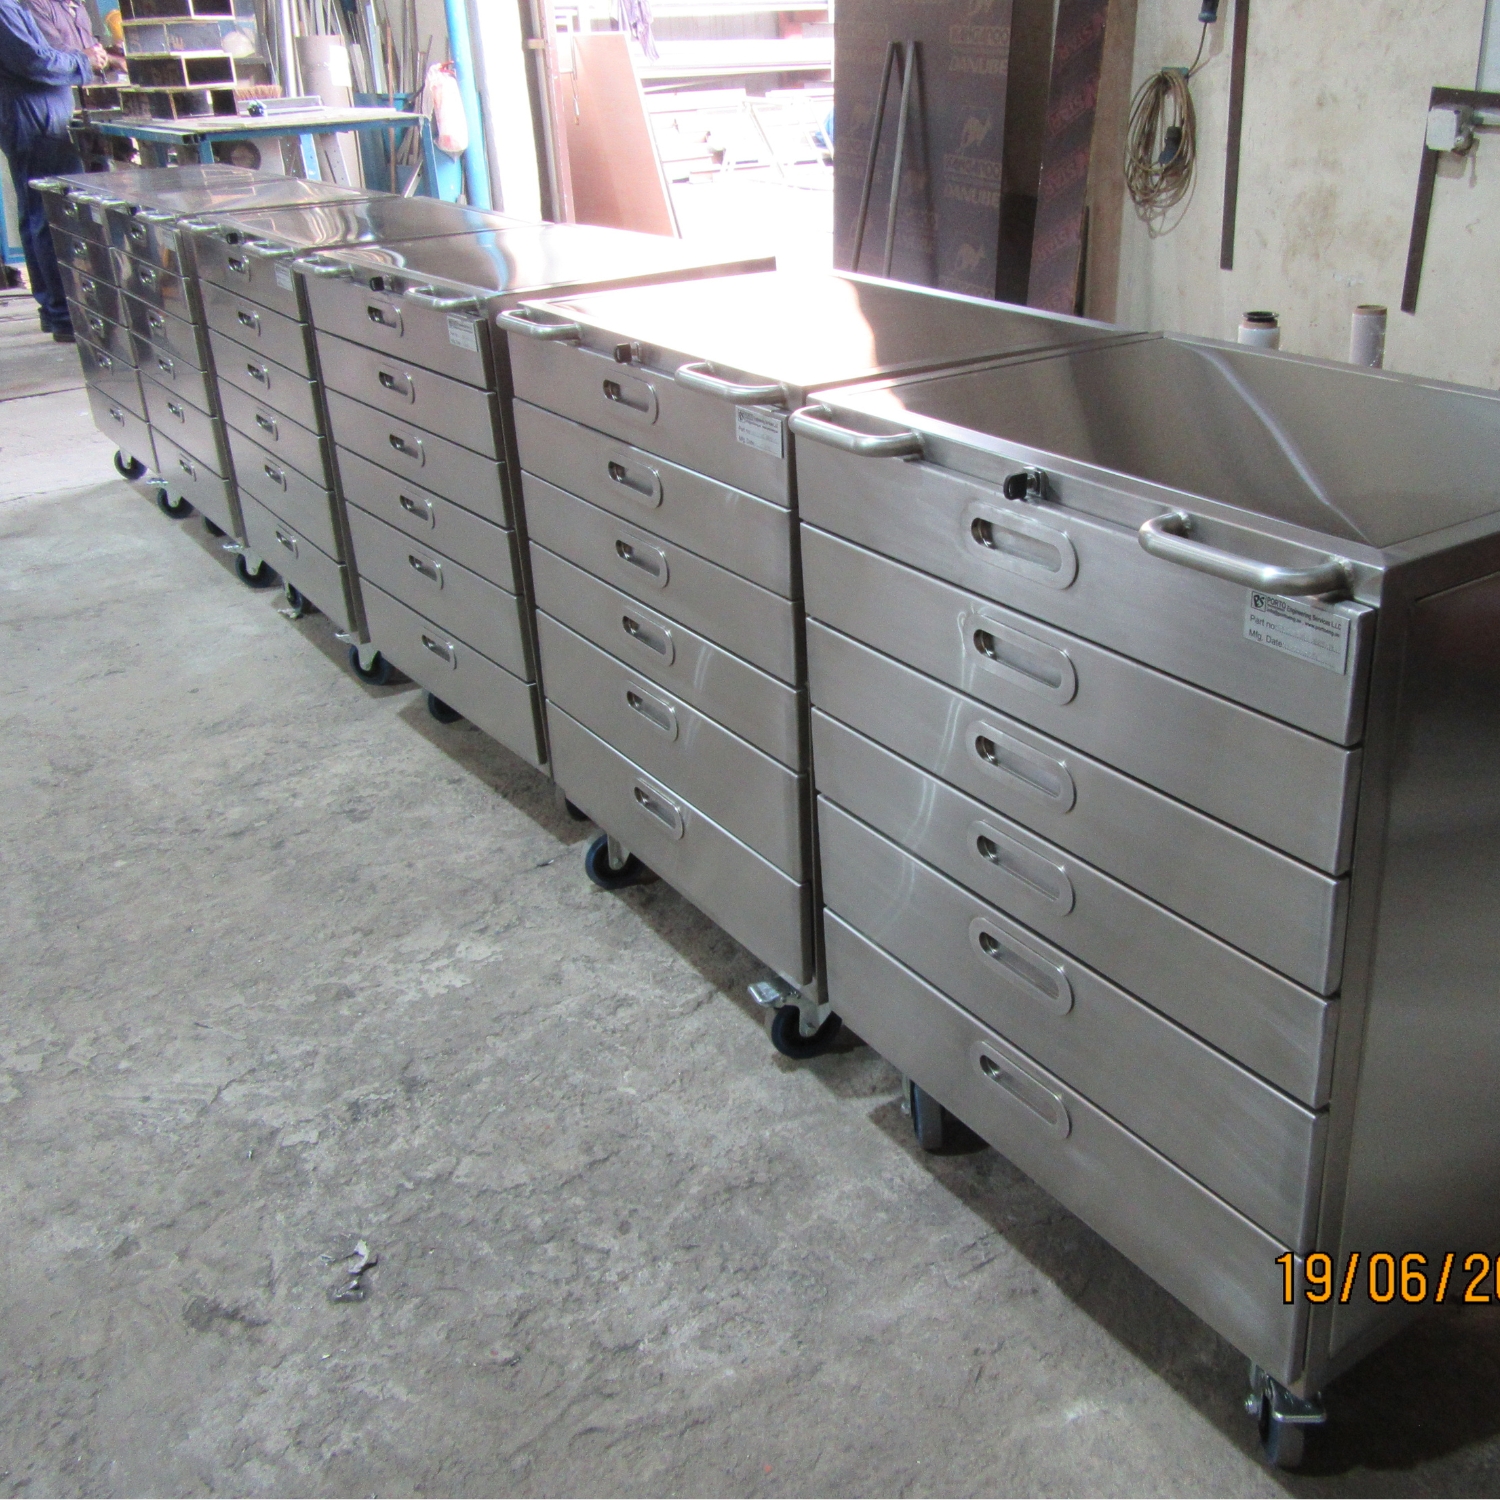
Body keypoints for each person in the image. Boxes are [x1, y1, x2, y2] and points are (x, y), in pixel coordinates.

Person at [0, 0, 105, 341]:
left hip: (39, 114)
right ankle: (63, 314)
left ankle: (57, 310)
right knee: (47, 214)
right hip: (34, 118)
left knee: (39, 212)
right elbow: (35, 61)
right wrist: (83, 61)